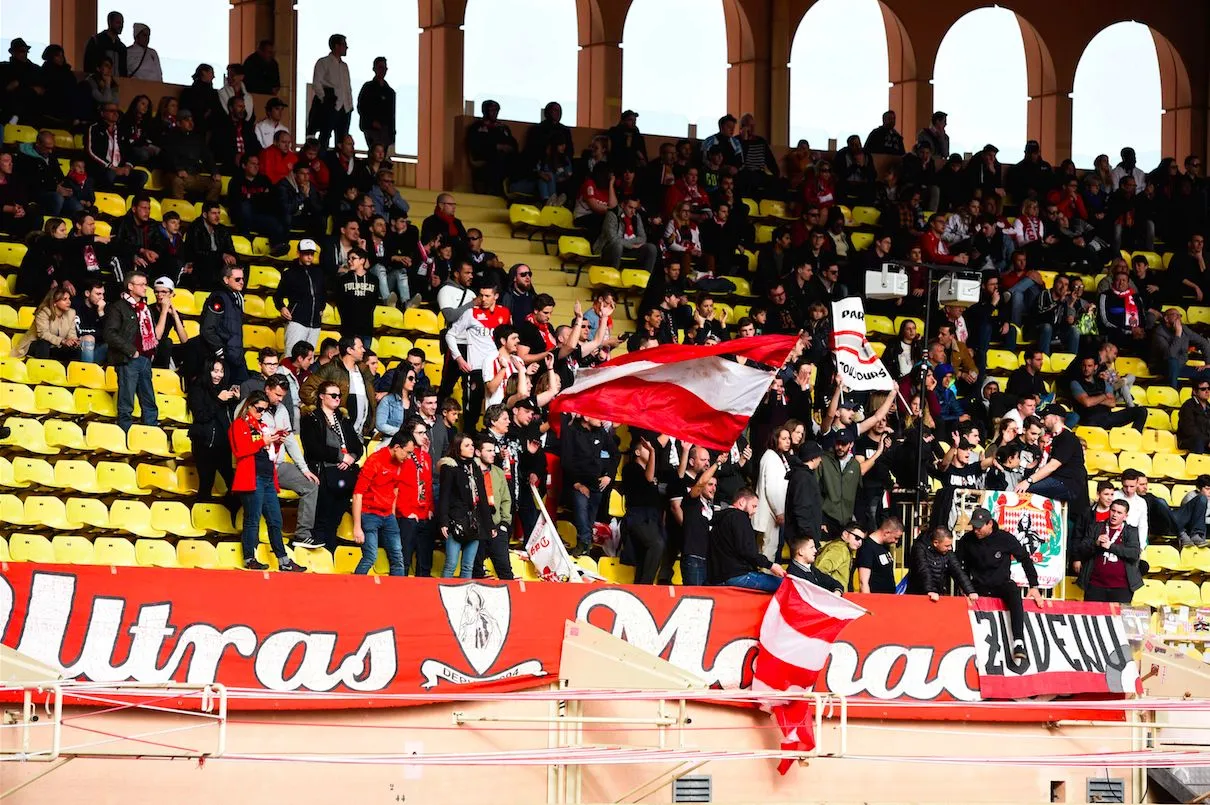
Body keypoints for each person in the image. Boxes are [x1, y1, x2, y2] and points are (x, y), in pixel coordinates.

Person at [230, 391, 306, 572]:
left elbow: (269, 452)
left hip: (267, 477)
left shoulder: (262, 425)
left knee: (275, 520)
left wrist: (276, 442)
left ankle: (283, 561)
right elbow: (240, 450)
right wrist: (263, 441)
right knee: (253, 519)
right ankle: (249, 558)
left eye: (264, 410)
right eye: (259, 409)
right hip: (252, 477)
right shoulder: (239, 424)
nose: (261, 413)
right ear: (249, 406)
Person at [958, 507, 1043, 662]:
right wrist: (965, 588)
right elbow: (958, 566)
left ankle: (1018, 642)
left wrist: (1034, 585)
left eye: (979, 527)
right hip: (977, 587)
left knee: (1014, 590)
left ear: (990, 523)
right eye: (974, 527)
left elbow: (1025, 559)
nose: (976, 530)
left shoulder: (1005, 538)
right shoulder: (967, 540)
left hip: (1000, 584)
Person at [300, 379, 364, 551]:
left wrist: (351, 457)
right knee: (322, 518)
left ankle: (330, 553)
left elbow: (358, 446)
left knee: (335, 519)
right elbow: (313, 448)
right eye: (333, 395)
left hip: (345, 475)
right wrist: (340, 457)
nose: (337, 398)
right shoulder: (311, 419)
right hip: (325, 473)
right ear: (322, 396)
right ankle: (320, 556)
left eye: (339, 395)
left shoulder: (343, 418)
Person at [351, 432, 417, 575]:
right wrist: (357, 527)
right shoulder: (375, 461)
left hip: (388, 515)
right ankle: (355, 586)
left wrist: (392, 515)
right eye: (408, 452)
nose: (409, 457)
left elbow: (395, 489)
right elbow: (357, 494)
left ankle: (396, 589)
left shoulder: (401, 463)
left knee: (398, 558)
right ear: (397, 447)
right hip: (369, 513)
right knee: (370, 556)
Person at [103, 272, 158, 432]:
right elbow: (109, 333)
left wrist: (151, 352)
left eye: (145, 284)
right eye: (141, 284)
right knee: (126, 403)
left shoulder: (146, 308)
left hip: (145, 358)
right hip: (128, 359)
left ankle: (151, 434)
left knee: (149, 401)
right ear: (130, 286)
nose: (145, 288)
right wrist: (131, 351)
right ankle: (125, 435)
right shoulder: (118, 307)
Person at [706, 488, 787, 592]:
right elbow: (747, 551)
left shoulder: (719, 519)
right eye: (753, 506)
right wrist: (771, 565)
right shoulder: (739, 517)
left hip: (717, 578)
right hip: (737, 575)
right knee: (786, 585)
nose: (754, 511)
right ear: (742, 502)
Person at [561, 415, 618, 556]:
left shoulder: (601, 432)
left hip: (596, 483)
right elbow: (566, 461)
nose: (601, 418)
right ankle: (584, 544)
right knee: (581, 514)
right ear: (586, 417)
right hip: (578, 482)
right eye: (597, 415)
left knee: (589, 520)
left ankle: (584, 547)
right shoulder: (571, 432)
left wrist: (609, 475)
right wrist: (577, 484)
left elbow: (616, 454)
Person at [300, 335, 378, 439]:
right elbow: (306, 390)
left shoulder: (364, 371)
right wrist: (326, 406)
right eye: (360, 347)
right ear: (349, 350)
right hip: (337, 432)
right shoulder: (330, 369)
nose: (364, 350)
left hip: (360, 433)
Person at [438, 433, 491, 578]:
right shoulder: (449, 466)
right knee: (451, 564)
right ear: (457, 448)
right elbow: (444, 497)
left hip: (474, 522)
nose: (471, 448)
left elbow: (483, 497)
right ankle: (444, 590)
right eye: (467, 445)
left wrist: (489, 524)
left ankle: (464, 592)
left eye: (472, 445)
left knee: (468, 566)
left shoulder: (475, 466)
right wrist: (444, 521)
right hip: (456, 521)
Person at [187, 357, 238, 503]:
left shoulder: (224, 388)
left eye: (221, 371)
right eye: (215, 371)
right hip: (204, 444)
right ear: (207, 370)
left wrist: (236, 400)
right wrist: (218, 400)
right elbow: (201, 416)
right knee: (206, 484)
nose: (218, 375)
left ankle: (229, 513)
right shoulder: (197, 387)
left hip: (223, 444)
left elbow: (230, 417)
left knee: (234, 484)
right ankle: (203, 514)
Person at [1073, 499, 1143, 603]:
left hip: (1121, 587)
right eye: (1113, 511)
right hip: (1095, 585)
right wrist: (1096, 543)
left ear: (1125, 516)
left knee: (1119, 614)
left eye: (1119, 513)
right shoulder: (1095, 527)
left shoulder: (1131, 531)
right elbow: (1082, 549)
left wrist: (1111, 547)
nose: (1115, 515)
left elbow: (1134, 554)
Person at [471, 437, 514, 580]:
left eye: (493, 450)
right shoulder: (469, 470)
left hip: (497, 526)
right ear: (478, 452)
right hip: (477, 528)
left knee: (505, 571)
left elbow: (506, 499)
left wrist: (504, 523)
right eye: (488, 451)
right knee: (476, 571)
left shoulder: (498, 472)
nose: (493, 454)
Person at [200, 265, 248, 384]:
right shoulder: (218, 298)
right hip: (224, 357)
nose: (242, 282)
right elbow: (208, 329)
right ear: (226, 280)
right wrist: (220, 352)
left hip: (236, 355)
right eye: (237, 279)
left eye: (243, 279)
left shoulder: (237, 297)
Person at [87, 102, 146, 192]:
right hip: (103, 169)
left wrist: (127, 166)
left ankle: (128, 199)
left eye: (117, 111)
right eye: (111, 111)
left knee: (142, 176)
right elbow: (91, 152)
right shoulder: (94, 128)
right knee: (110, 174)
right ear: (102, 113)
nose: (116, 113)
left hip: (120, 169)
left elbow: (130, 150)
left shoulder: (122, 129)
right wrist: (112, 167)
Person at [754, 425, 792, 561]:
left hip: (773, 511)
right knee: (768, 549)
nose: (788, 441)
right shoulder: (771, 457)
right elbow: (771, 487)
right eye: (784, 438)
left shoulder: (778, 456)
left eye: (789, 438)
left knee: (770, 548)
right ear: (776, 439)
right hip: (770, 511)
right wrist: (779, 511)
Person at [908, 527, 978, 601]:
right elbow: (924, 570)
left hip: (938, 594)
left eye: (950, 545)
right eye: (947, 546)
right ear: (935, 543)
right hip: (918, 595)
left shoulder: (947, 551)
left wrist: (970, 591)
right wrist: (930, 590)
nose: (950, 548)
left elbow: (957, 570)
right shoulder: (920, 548)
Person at [309, 34, 353, 149]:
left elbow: (347, 88)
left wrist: (350, 105)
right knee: (325, 136)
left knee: (342, 139)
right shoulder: (323, 62)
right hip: (330, 103)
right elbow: (317, 83)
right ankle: (321, 157)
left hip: (345, 107)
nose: (346, 47)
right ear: (336, 46)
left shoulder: (344, 66)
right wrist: (324, 99)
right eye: (344, 44)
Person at [14, 287, 79, 360]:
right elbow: (43, 334)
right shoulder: (43, 312)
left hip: (55, 346)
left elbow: (72, 333)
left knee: (75, 350)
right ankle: (42, 366)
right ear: (54, 302)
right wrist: (62, 341)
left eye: (69, 299)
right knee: (44, 343)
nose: (69, 302)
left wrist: (73, 341)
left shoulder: (71, 313)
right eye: (65, 299)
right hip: (36, 344)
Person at [594, 196, 657, 272]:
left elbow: (643, 238)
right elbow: (613, 239)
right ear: (623, 205)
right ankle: (612, 275)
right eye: (630, 207)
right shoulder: (612, 214)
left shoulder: (636, 216)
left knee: (651, 248)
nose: (633, 211)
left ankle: (646, 277)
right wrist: (631, 245)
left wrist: (629, 244)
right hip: (608, 250)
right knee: (618, 246)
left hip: (628, 250)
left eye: (635, 208)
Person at [855, 516, 904, 593]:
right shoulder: (867, 548)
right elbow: (863, 582)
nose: (896, 542)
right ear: (887, 533)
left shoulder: (885, 546)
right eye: (895, 538)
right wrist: (867, 599)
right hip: (875, 597)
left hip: (888, 596)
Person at [357, 56, 395, 149]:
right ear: (374, 69)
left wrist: (392, 132)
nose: (383, 70)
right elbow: (361, 107)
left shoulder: (390, 92)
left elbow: (392, 114)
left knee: (382, 154)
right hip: (371, 128)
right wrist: (371, 122)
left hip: (386, 130)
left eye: (384, 68)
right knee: (375, 152)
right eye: (380, 67)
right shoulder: (368, 87)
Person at [816, 521, 865, 592]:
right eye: (857, 538)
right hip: (833, 595)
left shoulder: (841, 547)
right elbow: (821, 570)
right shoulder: (840, 549)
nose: (860, 542)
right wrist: (836, 589)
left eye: (862, 540)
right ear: (845, 534)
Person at [84, 11, 128, 76]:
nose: (121, 26)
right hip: (99, 80)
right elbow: (88, 65)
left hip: (117, 81)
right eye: (118, 22)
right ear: (110, 22)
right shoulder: (96, 41)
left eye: (122, 23)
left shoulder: (122, 47)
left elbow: (123, 70)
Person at [1178, 379, 1210, 454]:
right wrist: (1207, 441)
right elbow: (1189, 429)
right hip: (1189, 441)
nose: (1207, 391)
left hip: (1206, 441)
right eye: (1203, 389)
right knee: (1198, 440)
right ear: (1195, 391)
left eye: (1209, 388)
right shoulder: (1188, 406)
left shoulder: (1209, 406)